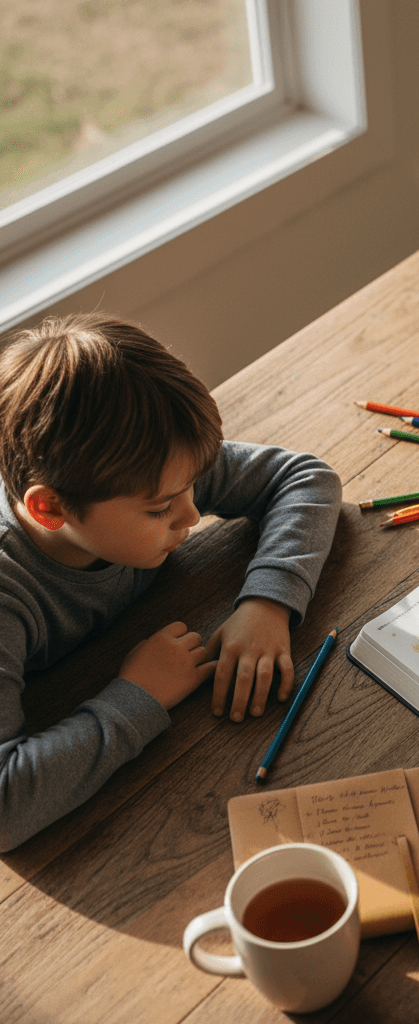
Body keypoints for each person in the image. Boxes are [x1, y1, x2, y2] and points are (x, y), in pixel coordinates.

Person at [0, 314, 343, 851]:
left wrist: (267, 601)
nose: (191, 515)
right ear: (50, 509)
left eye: (192, 488)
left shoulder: (142, 467)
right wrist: (139, 694)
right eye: (161, 509)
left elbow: (305, 477)